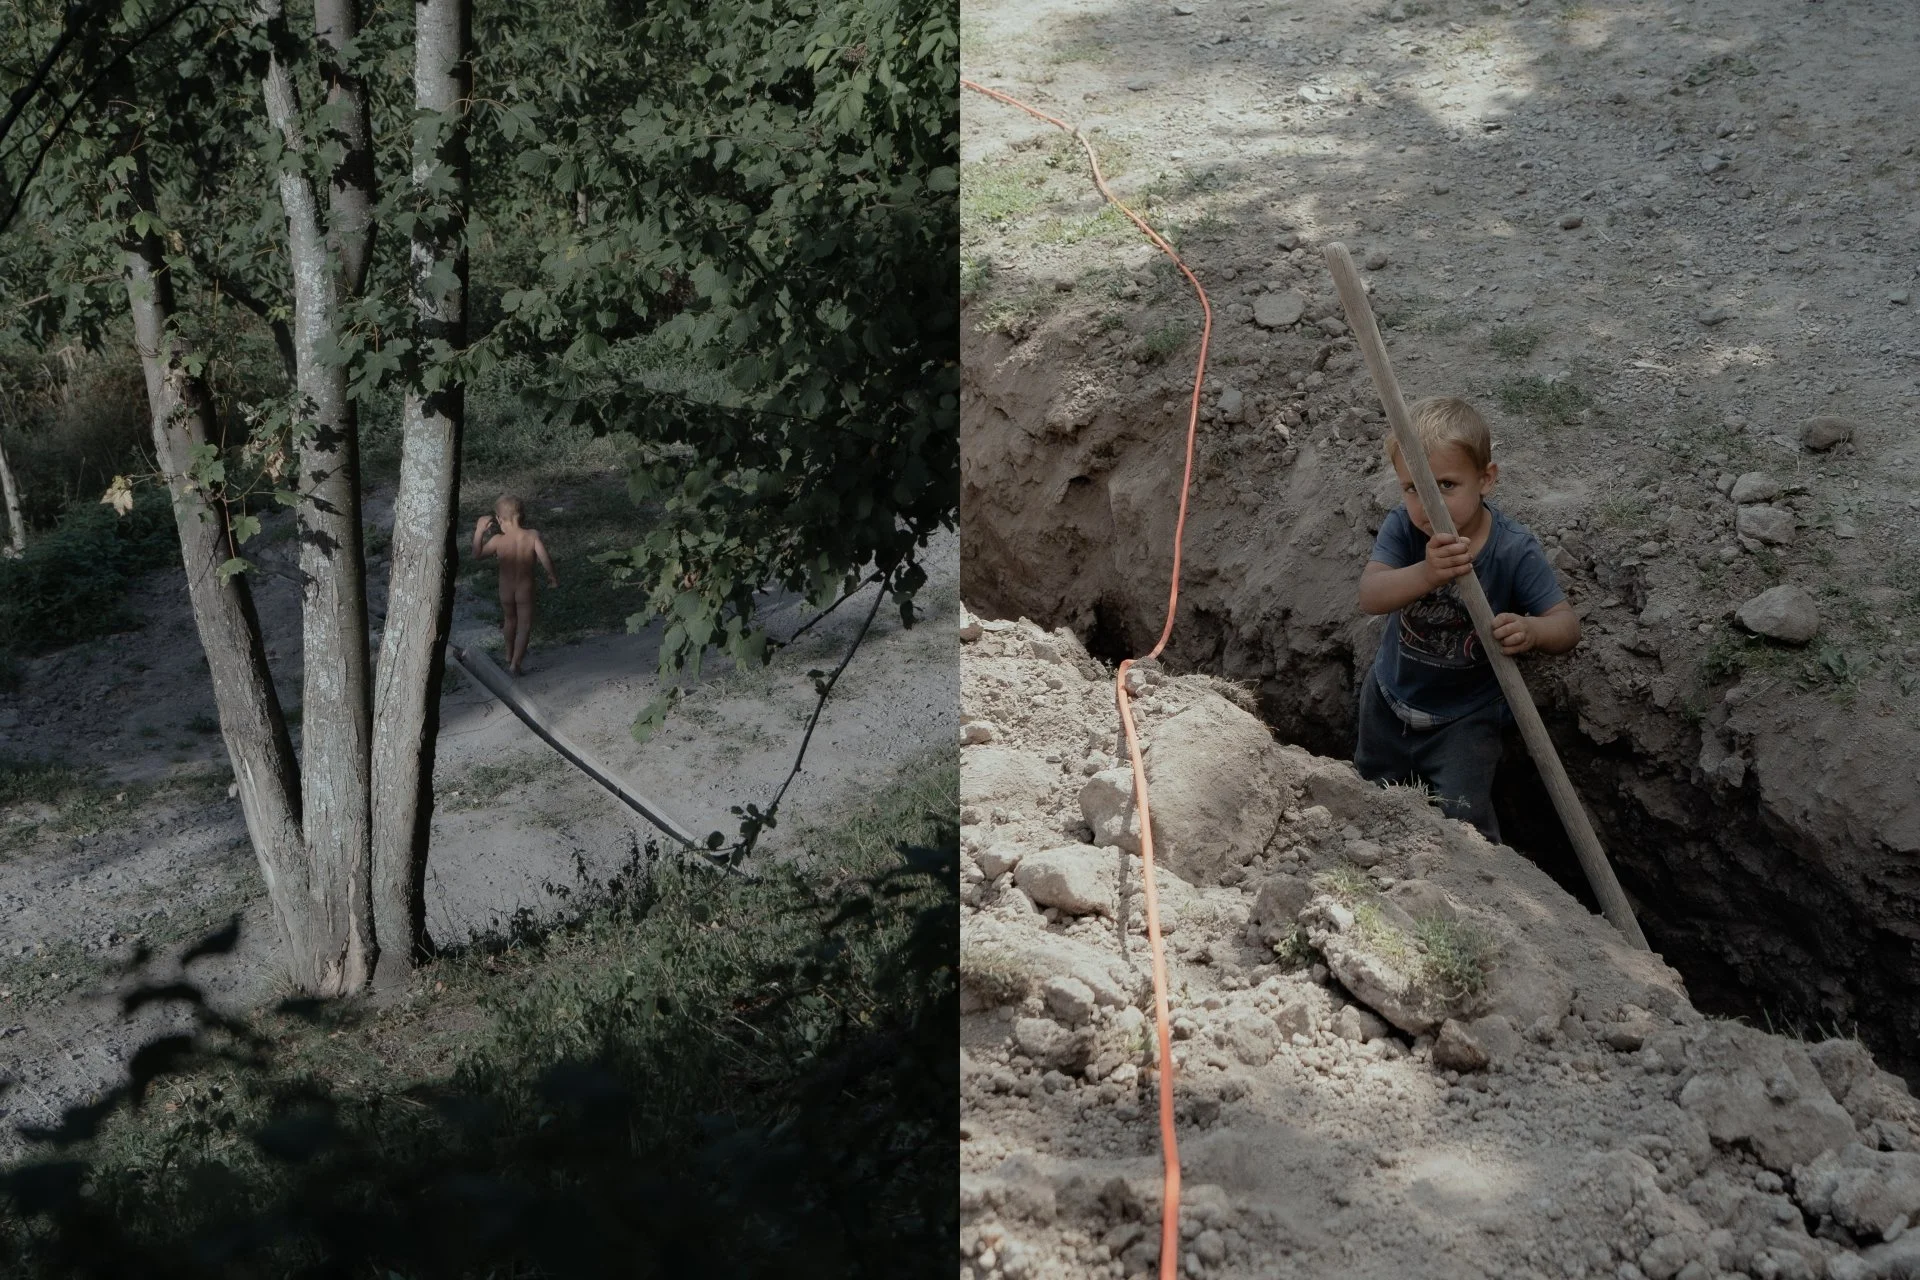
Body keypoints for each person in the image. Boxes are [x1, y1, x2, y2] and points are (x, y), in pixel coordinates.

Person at [1353, 396, 1578, 842]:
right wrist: (1427, 572)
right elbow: (1371, 595)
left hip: (1465, 721)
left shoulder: (1513, 550)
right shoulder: (1405, 528)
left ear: (1486, 479)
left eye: (1446, 486)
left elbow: (1566, 625)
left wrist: (1532, 631)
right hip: (1387, 702)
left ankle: (1479, 896)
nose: (1426, 505)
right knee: (1369, 798)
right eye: (1413, 488)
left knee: (1464, 823)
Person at [472, 494, 558, 676]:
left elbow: (477, 554)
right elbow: (545, 558)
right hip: (525, 588)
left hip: (506, 589)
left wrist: (479, 530)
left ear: (499, 519)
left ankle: (508, 654)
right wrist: (552, 576)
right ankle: (515, 664)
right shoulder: (532, 536)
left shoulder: (497, 540)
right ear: (521, 515)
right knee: (524, 625)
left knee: (509, 620)